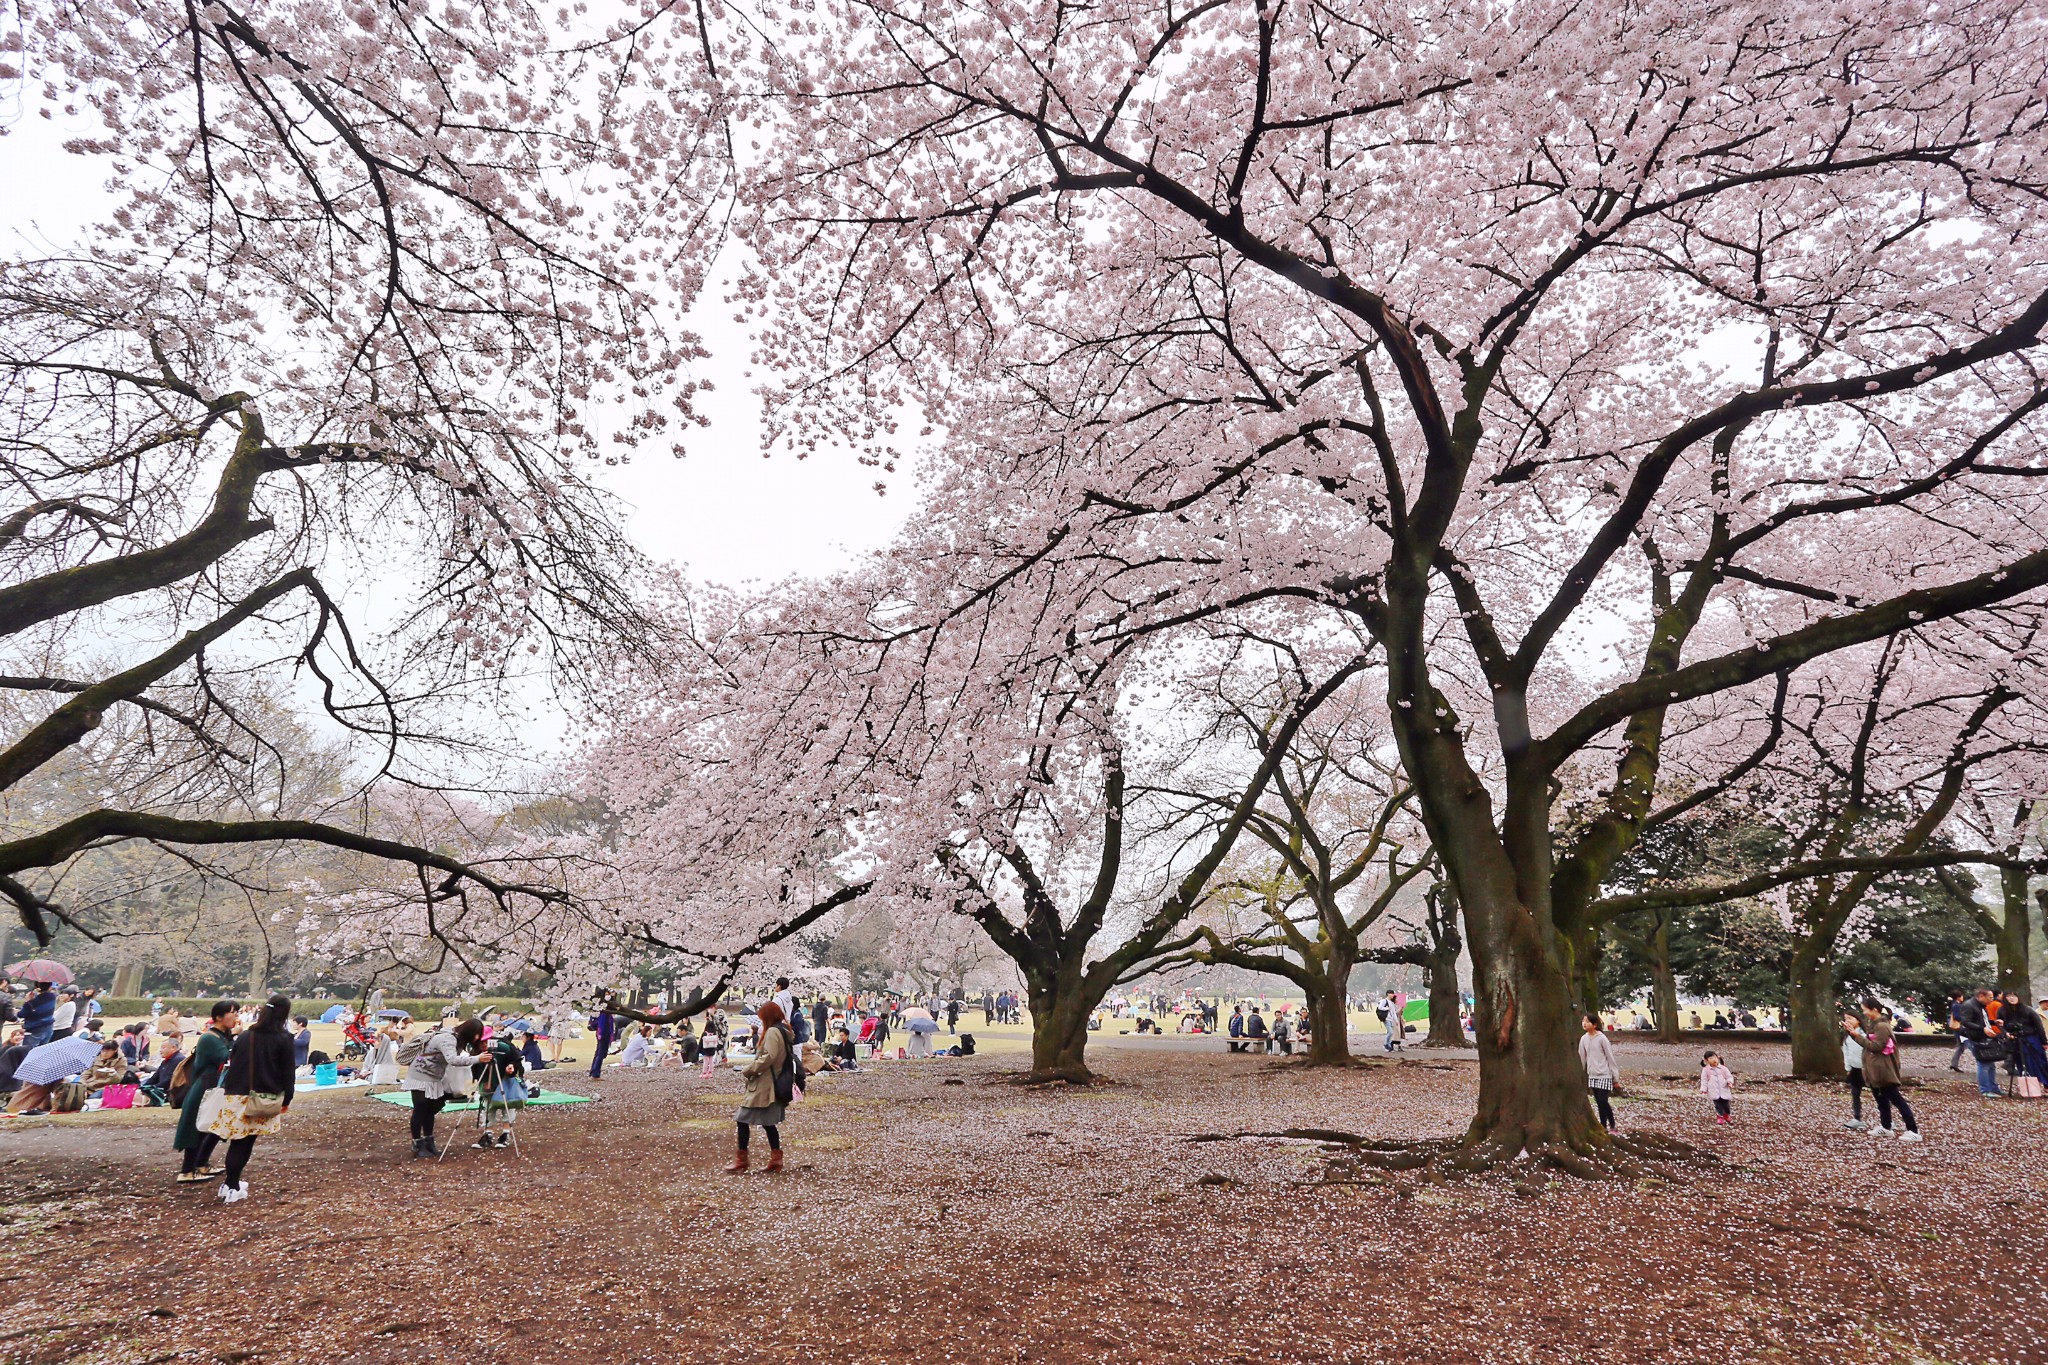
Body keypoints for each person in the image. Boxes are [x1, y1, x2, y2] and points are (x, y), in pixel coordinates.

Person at [206, 994, 296, 1205]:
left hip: (236, 1093)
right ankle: (233, 1185)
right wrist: (287, 1099)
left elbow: (234, 1061)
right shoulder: (283, 1038)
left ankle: (229, 1184)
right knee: (244, 1143)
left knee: (239, 1141)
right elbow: (288, 1073)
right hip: (262, 1095)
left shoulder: (246, 1036)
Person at [173, 1001, 240, 1183]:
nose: (236, 1016)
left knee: (215, 1126)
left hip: (215, 1086)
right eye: (232, 1013)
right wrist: (236, 1037)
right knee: (198, 1126)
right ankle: (187, 1170)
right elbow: (227, 1056)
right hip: (204, 1087)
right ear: (219, 1016)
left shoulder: (222, 1036)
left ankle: (201, 1164)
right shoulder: (209, 1038)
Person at [404, 1017, 487, 1158]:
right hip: (420, 1074)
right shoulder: (448, 1039)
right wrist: (478, 1058)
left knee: (429, 1109)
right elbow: (452, 1060)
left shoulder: (458, 1040)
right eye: (476, 1034)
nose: (478, 1037)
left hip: (434, 1076)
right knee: (420, 1108)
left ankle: (429, 1142)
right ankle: (417, 1144)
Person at [726, 1001, 793, 1174]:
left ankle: (742, 1160)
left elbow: (768, 1056)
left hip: (765, 1085)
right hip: (772, 1083)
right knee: (768, 1123)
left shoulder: (772, 1032)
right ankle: (775, 1159)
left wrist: (750, 1069)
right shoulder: (783, 1031)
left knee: (742, 1119)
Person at [1843, 1001, 1920, 1142]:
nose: (1864, 1013)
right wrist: (1854, 1035)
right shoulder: (1875, 1025)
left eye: (1865, 1010)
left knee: (1896, 1099)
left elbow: (1877, 1047)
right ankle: (1886, 1126)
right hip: (1875, 1070)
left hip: (1883, 1069)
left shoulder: (1882, 1026)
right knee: (1881, 1099)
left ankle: (1913, 1130)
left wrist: (1856, 1036)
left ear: (1874, 1010)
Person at [472, 1029, 528, 1150]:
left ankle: (506, 1134)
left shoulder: (504, 1047)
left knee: (506, 1106)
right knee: (488, 1107)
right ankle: (488, 1134)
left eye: (486, 1041)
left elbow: (515, 1060)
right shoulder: (476, 1051)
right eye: (480, 1042)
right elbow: (474, 1067)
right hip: (487, 1083)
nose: (483, 1045)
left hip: (504, 1081)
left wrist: (511, 1066)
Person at [1956, 989, 2002, 1097]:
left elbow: (1981, 1020)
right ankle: (1985, 1090)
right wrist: (1982, 1029)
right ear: (1981, 996)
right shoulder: (1969, 1006)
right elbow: (1966, 1022)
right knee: (1983, 1063)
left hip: (1982, 1036)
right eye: (1990, 997)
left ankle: (1993, 1087)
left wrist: (1993, 1022)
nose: (1992, 1000)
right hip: (1974, 1037)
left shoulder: (1981, 1006)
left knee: (1991, 1063)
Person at [1579, 1015, 1618, 1132]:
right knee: (1599, 1101)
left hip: (1604, 1074)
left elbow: (1610, 1057)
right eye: (1583, 1021)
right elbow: (1582, 1057)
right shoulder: (1584, 1039)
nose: (1584, 1024)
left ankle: (1607, 1124)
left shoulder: (1602, 1039)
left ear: (1595, 1025)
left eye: (1587, 1022)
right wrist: (1582, 1073)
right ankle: (1607, 1125)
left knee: (1602, 1101)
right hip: (1592, 1075)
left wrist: (1615, 1077)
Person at [1840, 1026, 1867, 1131]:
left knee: (1878, 1093)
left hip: (1865, 1069)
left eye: (1850, 1019)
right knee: (1855, 1094)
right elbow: (1846, 1052)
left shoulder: (1863, 1034)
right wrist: (1848, 1067)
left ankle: (1887, 1121)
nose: (1848, 1022)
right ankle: (1857, 1118)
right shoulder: (1847, 1037)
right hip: (1854, 1069)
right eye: (1846, 1019)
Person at [1699, 1051, 1734, 1124]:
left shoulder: (1723, 1068)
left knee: (1726, 1105)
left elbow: (1729, 1076)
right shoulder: (1706, 1070)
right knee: (1718, 1105)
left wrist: (1729, 1082)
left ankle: (1727, 1115)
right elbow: (1704, 1080)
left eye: (1715, 1057)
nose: (1713, 1059)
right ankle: (1720, 1116)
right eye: (1711, 1058)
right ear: (1706, 1060)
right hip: (1713, 1091)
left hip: (1724, 1089)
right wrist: (1703, 1089)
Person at [587, 1000, 618, 1080]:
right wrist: (600, 1033)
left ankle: (593, 1072)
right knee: (601, 1053)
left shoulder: (603, 1011)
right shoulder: (604, 1012)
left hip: (602, 1032)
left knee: (599, 1052)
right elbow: (602, 1022)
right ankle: (595, 1074)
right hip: (604, 1032)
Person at [18, 982, 54, 1047]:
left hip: (34, 1030)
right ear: (50, 987)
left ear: (36, 988)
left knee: (28, 1052)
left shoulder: (31, 1003)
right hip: (48, 1028)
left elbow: (21, 1014)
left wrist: (28, 1001)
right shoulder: (52, 997)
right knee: (42, 1051)